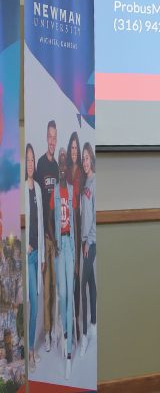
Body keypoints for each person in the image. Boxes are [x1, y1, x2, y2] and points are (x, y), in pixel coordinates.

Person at [34, 120, 59, 355]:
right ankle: (48, 333)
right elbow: (40, 206)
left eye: (55, 137)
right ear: (46, 137)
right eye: (49, 136)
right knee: (47, 290)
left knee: (56, 286)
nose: (52, 141)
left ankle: (56, 330)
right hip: (46, 240)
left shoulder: (57, 169)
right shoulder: (41, 165)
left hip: (59, 239)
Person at [53, 148, 76, 378]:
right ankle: (64, 327)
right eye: (59, 162)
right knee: (61, 295)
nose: (61, 166)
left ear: (66, 167)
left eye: (63, 162)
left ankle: (69, 351)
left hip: (71, 247)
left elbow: (75, 224)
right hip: (60, 248)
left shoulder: (71, 190)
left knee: (70, 293)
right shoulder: (54, 194)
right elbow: (52, 222)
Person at [24, 143, 43, 370]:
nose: (30, 164)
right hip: (28, 256)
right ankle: (28, 351)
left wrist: (44, 258)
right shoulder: (21, 189)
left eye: (32, 160)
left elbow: (39, 223)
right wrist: (26, 247)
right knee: (32, 303)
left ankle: (30, 349)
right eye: (27, 160)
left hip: (38, 256)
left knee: (36, 305)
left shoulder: (37, 188)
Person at [78, 142, 97, 357]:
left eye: (86, 157)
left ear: (92, 158)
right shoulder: (85, 182)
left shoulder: (95, 182)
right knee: (90, 281)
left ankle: (84, 335)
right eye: (82, 158)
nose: (84, 161)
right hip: (85, 240)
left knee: (82, 284)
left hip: (91, 242)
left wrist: (87, 241)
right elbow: (84, 215)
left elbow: (94, 217)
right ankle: (93, 324)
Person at [67, 131, 83, 348]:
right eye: (70, 148)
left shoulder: (81, 172)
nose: (73, 151)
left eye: (75, 148)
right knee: (68, 277)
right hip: (66, 228)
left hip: (78, 226)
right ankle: (69, 323)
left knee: (77, 276)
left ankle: (78, 324)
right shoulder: (66, 174)